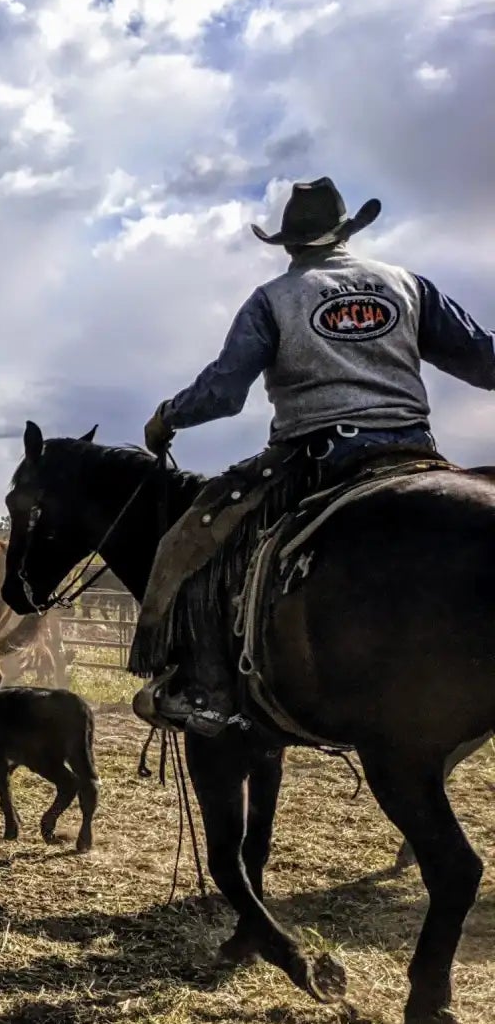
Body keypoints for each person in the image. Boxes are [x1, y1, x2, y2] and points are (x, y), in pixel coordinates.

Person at [134, 177, 495, 736]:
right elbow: (485, 361)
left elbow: (224, 393)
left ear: (289, 244)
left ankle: (203, 688)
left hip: (318, 458)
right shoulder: (407, 284)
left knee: (195, 537)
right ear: (346, 231)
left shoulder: (274, 299)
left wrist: (167, 416)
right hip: (414, 450)